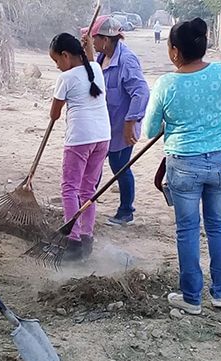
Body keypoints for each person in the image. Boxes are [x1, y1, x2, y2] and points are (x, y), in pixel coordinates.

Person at [143, 18, 221, 315]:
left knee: (188, 230)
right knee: (217, 225)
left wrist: (171, 120)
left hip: (184, 165)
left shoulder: (166, 83)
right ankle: (220, 293)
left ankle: (191, 297)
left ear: (175, 52)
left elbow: (150, 129)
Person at [81, 15, 150, 226]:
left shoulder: (126, 61)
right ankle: (86, 202)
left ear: (106, 39)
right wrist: (89, 53)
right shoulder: (102, 58)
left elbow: (141, 92)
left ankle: (126, 211)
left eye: (94, 38)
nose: (92, 41)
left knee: (120, 166)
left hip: (122, 127)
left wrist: (131, 122)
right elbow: (95, 79)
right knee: (95, 165)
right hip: (104, 125)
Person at [48, 33, 112, 260]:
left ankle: (73, 241)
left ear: (66, 55)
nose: (57, 66)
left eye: (57, 61)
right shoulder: (95, 68)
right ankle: (86, 237)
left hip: (79, 139)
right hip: (103, 137)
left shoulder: (65, 79)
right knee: (88, 190)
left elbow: (54, 114)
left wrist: (58, 105)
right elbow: (89, 62)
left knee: (70, 189)